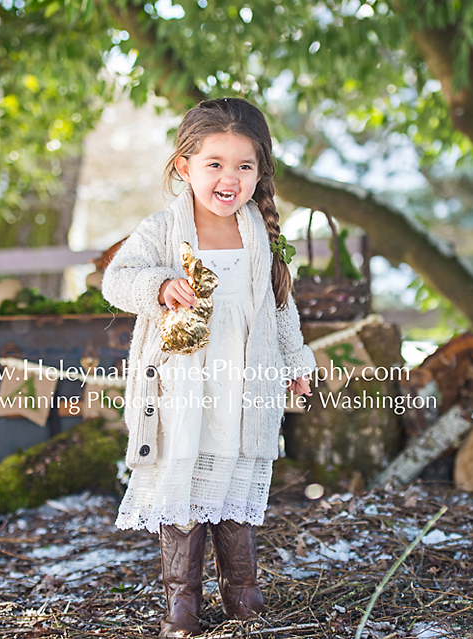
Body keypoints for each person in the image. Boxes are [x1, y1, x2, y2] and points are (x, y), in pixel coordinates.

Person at [101, 97, 316, 638]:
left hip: (243, 387)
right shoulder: (162, 228)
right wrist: (160, 286)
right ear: (184, 168)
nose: (230, 178)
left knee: (236, 485)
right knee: (184, 486)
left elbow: (280, 307)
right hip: (182, 389)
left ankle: (242, 593)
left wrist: (295, 362)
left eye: (244, 166)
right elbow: (117, 278)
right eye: (214, 164)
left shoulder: (259, 232)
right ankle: (182, 605)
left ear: (259, 171)